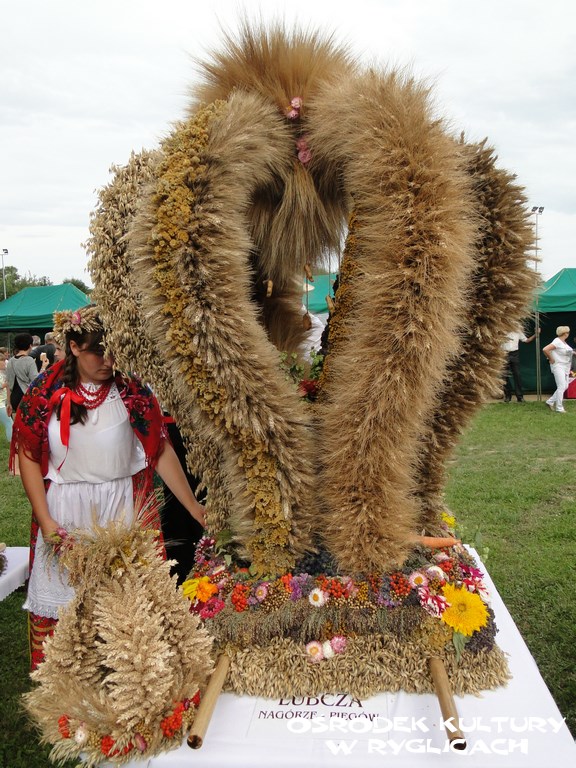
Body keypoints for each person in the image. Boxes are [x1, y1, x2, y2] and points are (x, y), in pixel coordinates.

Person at [9, 306, 206, 668]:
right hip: (67, 514)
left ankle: (129, 681)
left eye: (114, 352)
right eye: (97, 352)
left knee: (129, 613)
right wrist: (46, 520)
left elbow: (159, 450)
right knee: (69, 615)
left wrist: (193, 507)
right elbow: (28, 456)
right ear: (73, 347)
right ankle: (65, 688)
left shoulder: (132, 390)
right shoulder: (44, 392)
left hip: (122, 514)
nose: (108, 361)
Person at [543, 326, 574, 413]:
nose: (568, 334)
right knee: (561, 386)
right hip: (558, 366)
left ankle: (550, 401)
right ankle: (559, 407)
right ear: (565, 333)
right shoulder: (557, 341)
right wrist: (551, 359)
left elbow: (567, 351)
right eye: (568, 332)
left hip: (565, 366)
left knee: (565, 386)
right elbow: (545, 349)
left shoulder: (564, 343)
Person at [501, 326, 538, 402]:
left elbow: (526, 340)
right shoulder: (500, 330)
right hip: (503, 354)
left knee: (517, 374)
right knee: (504, 375)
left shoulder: (517, 331)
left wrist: (536, 334)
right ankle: (508, 396)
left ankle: (519, 396)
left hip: (514, 354)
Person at [5, 333, 38, 414]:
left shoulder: (10, 361)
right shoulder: (29, 360)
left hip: (14, 398)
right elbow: (36, 381)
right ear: (30, 346)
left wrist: (8, 403)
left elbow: (8, 383)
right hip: (25, 396)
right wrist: (44, 367)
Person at [0, 350, 13, 442]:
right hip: (0, 404)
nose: (5, 362)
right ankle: (12, 444)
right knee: (9, 423)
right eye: (2, 361)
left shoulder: (2, 373)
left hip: (3, 402)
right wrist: (5, 384)